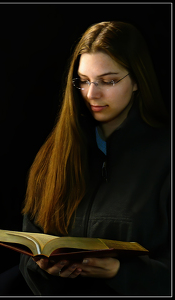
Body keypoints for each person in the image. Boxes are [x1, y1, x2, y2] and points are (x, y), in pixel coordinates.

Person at [19, 21, 171, 296]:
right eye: (84, 81)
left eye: (108, 81)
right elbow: (29, 258)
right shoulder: (55, 152)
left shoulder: (166, 157)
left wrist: (120, 272)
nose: (91, 94)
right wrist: (44, 269)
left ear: (137, 80)